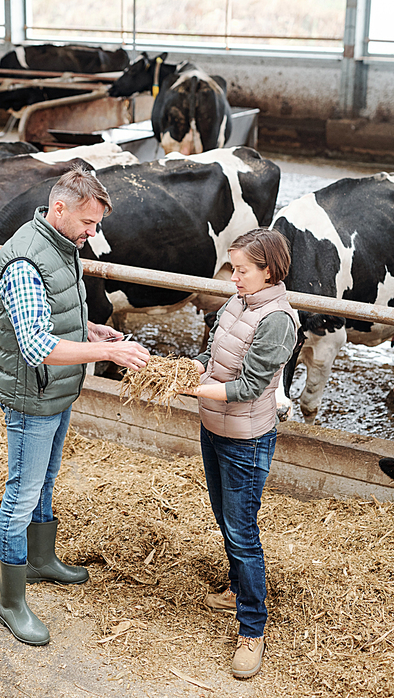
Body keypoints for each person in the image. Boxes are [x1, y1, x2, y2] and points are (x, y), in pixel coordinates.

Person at [0, 166, 150, 646]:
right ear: (59, 208)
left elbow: (55, 317)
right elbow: (36, 345)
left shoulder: (61, 246)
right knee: (21, 494)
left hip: (56, 390)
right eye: (89, 222)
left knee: (45, 481)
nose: (93, 233)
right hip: (32, 395)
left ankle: (40, 561)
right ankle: (10, 602)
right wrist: (106, 353)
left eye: (97, 224)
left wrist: (92, 332)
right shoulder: (25, 261)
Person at [180, 228, 298, 679]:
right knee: (224, 517)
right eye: (232, 268)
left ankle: (253, 628)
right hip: (214, 427)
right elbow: (215, 357)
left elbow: (249, 387)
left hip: (245, 438)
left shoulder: (277, 321)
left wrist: (186, 388)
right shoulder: (238, 303)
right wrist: (187, 367)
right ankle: (236, 589)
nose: (233, 277)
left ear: (269, 271)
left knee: (242, 530)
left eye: (242, 270)